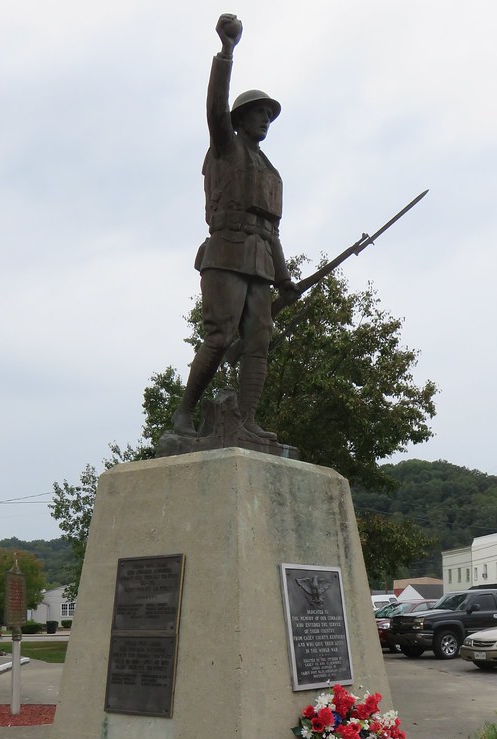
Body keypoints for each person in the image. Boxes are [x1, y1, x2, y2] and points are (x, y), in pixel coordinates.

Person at [172, 13, 297, 441]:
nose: (265, 120)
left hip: (261, 261)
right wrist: (226, 53)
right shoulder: (226, 147)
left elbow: (272, 230)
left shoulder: (271, 171)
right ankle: (184, 415)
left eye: (269, 115)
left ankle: (246, 420)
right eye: (259, 114)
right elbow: (214, 107)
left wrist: (284, 278)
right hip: (226, 251)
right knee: (221, 336)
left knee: (259, 343)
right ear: (241, 118)